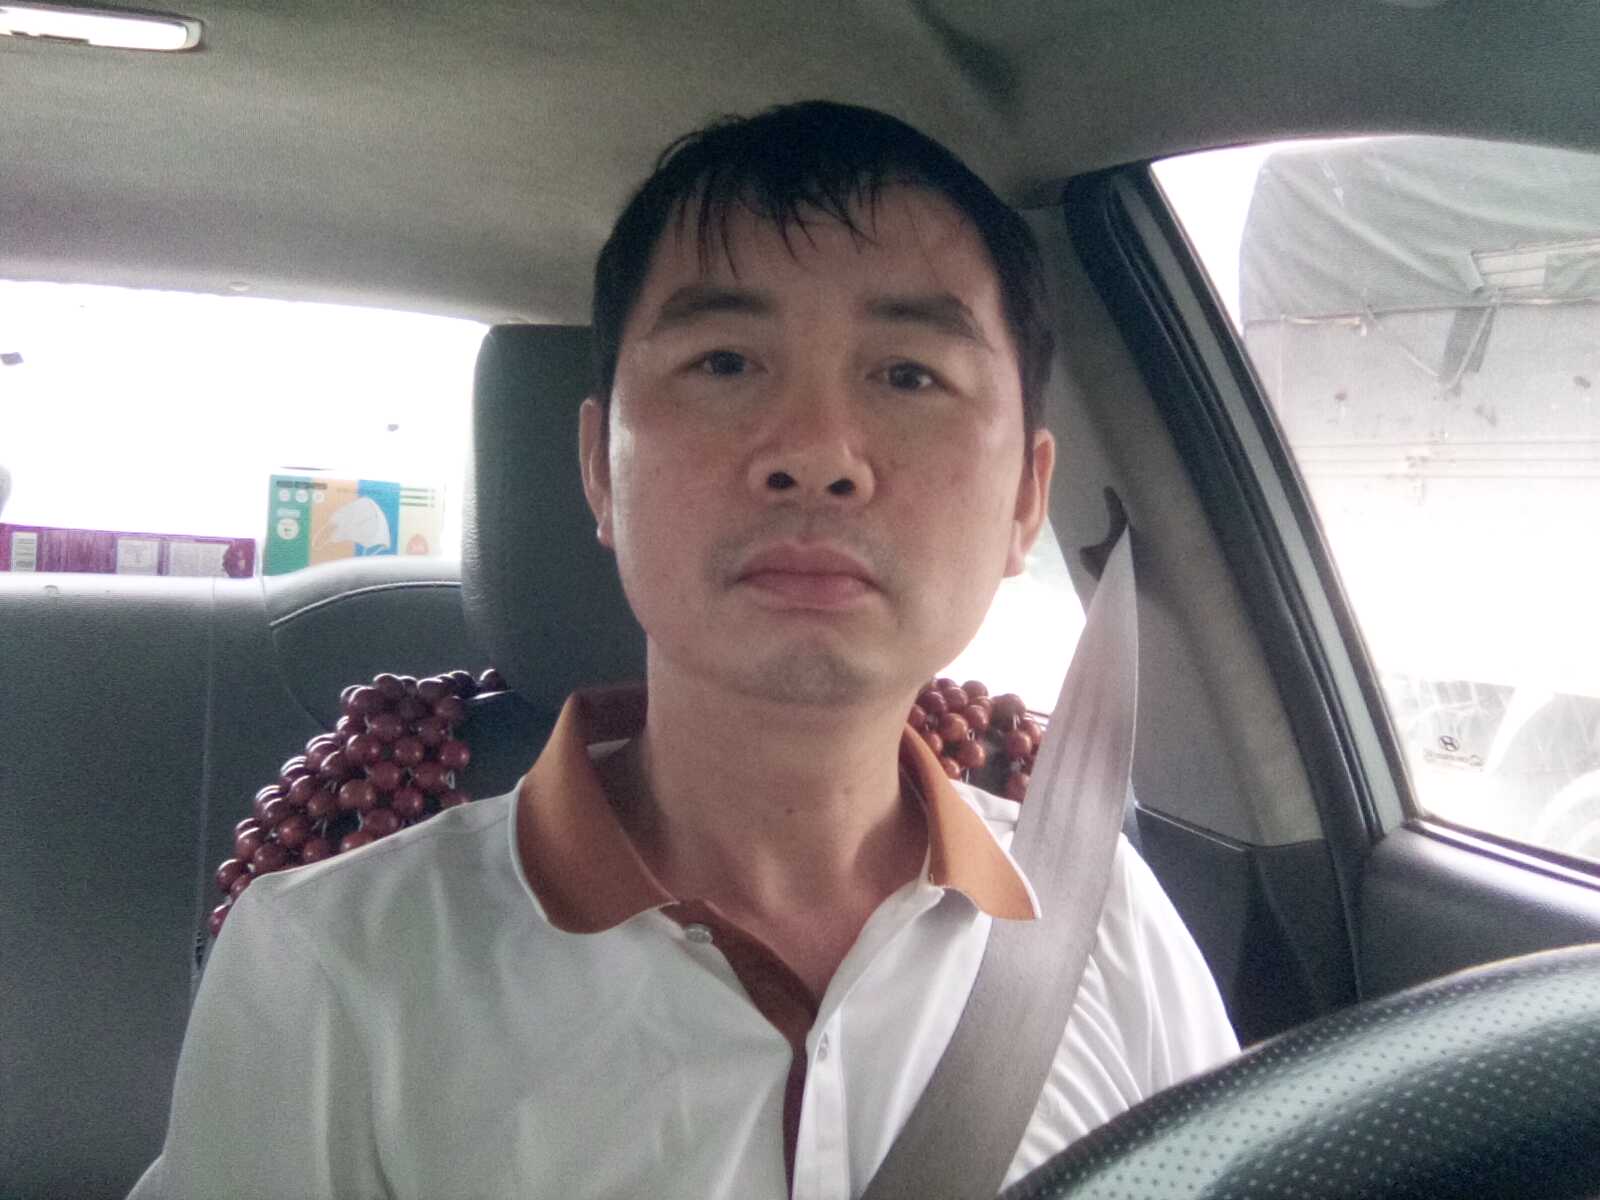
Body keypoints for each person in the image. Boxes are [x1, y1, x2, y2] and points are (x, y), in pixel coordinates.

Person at [131, 101, 1237, 1200]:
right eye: (724, 362)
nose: (817, 454)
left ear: (1025, 502)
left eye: (909, 375)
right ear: (599, 470)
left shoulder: (1107, 926)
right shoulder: (335, 970)